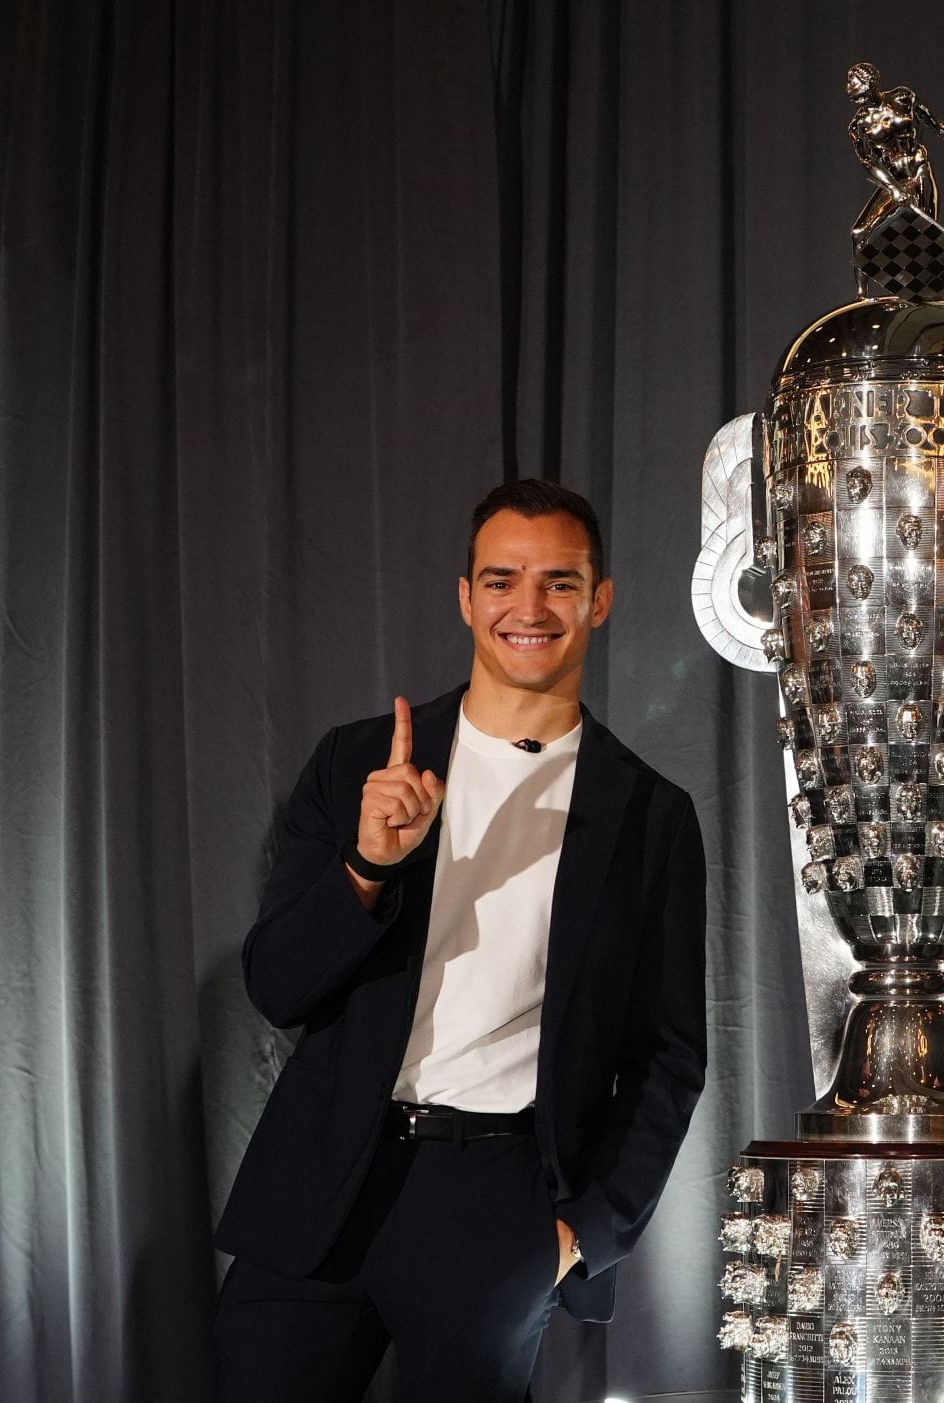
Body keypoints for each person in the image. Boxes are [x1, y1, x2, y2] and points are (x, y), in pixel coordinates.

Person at [213, 480, 707, 1403]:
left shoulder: (650, 816)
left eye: (560, 582)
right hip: (323, 1179)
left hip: (495, 1198)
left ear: (600, 600)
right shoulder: (361, 763)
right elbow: (277, 986)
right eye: (502, 579)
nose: (530, 606)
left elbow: (668, 1057)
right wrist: (367, 866)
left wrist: (583, 1234)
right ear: (466, 597)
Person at [844, 60, 944, 241]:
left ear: (868, 82)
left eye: (852, 83)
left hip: (918, 171)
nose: (848, 89)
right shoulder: (858, 125)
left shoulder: (903, 97)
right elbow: (868, 161)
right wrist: (894, 189)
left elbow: (937, 126)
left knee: (927, 231)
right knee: (859, 233)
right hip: (895, 179)